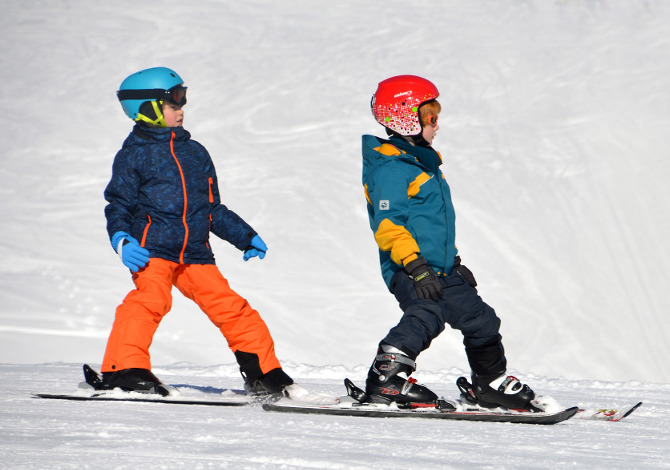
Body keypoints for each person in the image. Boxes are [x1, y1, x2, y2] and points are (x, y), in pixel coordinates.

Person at [100, 66, 294, 398]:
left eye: (182, 101)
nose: (181, 110)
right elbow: (119, 202)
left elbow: (210, 208)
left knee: (233, 308)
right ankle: (124, 369)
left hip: (195, 253)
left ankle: (264, 372)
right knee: (149, 301)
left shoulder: (195, 152)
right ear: (146, 107)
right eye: (173, 103)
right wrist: (121, 238)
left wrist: (244, 235)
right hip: (153, 249)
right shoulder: (134, 155)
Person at [361, 75, 536, 410]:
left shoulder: (421, 164)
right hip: (408, 268)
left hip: (439, 269)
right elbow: (388, 227)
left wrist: (453, 263)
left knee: (481, 320)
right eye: (431, 118)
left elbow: (432, 227)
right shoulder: (392, 170)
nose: (436, 126)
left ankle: (490, 384)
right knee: (426, 315)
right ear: (405, 118)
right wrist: (415, 265)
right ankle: (385, 381)